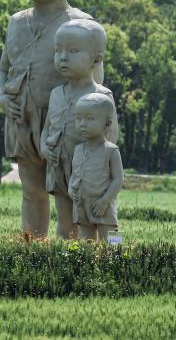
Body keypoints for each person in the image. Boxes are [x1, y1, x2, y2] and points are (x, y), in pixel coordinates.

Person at [0, 0, 103, 236]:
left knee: (67, 193)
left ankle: (68, 252)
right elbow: (3, 70)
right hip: (22, 121)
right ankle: (32, 247)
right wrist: (2, 98)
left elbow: (96, 88)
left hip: (64, 127)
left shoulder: (81, 27)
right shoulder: (16, 23)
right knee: (31, 191)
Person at [40, 19, 119, 239]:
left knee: (106, 221)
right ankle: (70, 255)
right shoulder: (56, 94)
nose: (63, 57)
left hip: (94, 176)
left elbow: (111, 137)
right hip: (60, 169)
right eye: (58, 51)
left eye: (73, 51)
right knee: (67, 220)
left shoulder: (102, 97)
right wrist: (44, 148)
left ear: (96, 59)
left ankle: (116, 254)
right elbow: (47, 128)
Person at [69, 93, 123, 242]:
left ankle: (119, 255)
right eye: (78, 118)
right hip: (82, 205)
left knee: (112, 239)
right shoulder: (78, 150)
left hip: (103, 205)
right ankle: (88, 258)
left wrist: (105, 201)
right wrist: (71, 190)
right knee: (86, 242)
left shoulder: (111, 151)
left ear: (107, 124)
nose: (82, 124)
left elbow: (118, 179)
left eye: (90, 119)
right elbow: (74, 175)